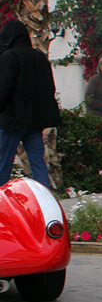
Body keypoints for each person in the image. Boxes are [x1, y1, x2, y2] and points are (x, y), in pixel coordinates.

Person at [0, 19, 61, 189]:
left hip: (12, 120)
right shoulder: (39, 57)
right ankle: (44, 199)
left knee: (3, 162)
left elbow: (4, 89)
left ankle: (1, 202)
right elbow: (49, 87)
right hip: (35, 121)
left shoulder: (9, 57)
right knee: (38, 162)